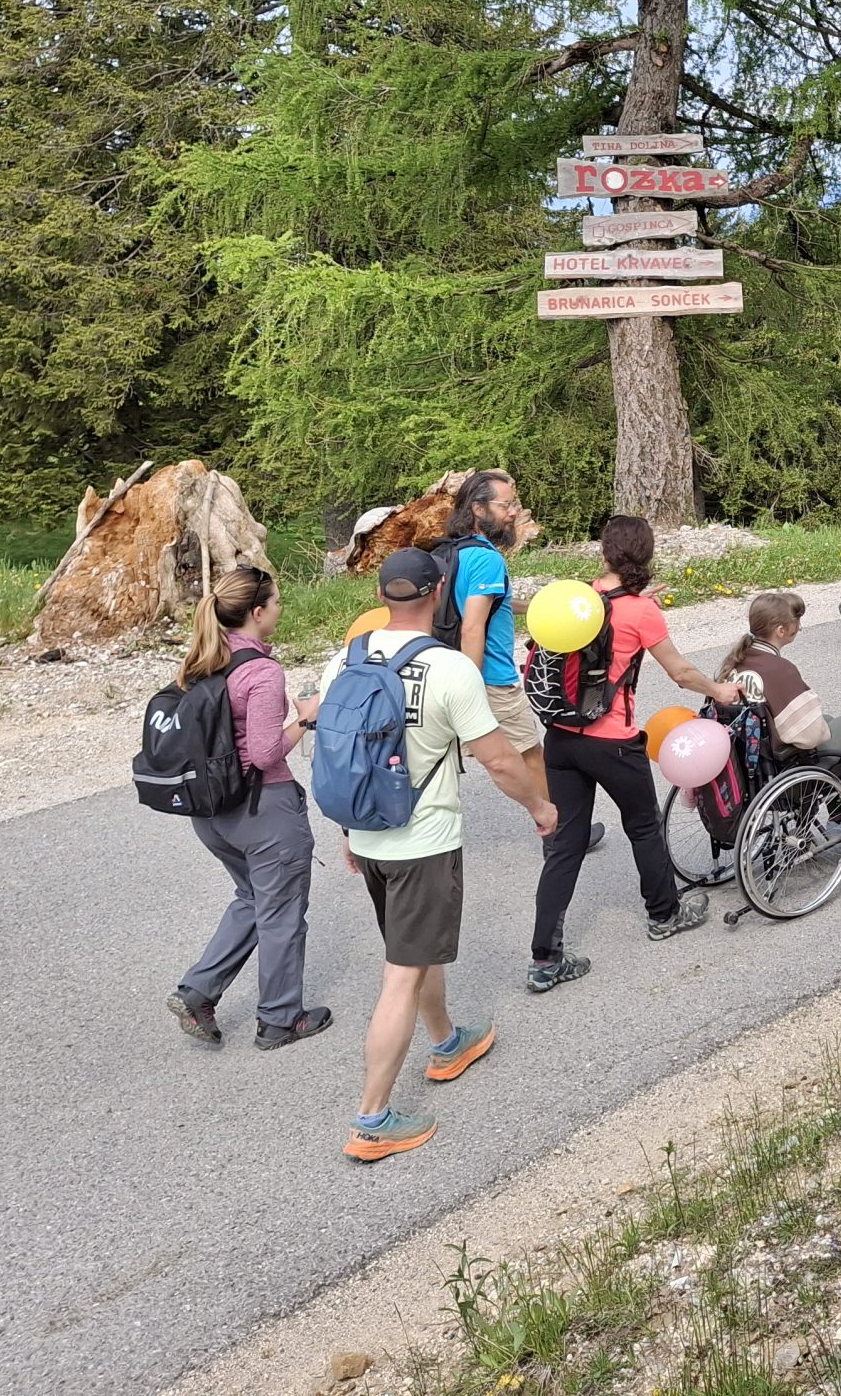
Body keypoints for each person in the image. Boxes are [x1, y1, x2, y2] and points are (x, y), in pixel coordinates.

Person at [327, 549, 558, 1164]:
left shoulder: (345, 660)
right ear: (438, 596)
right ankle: (373, 1119)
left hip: (369, 835)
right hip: (423, 841)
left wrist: (348, 831)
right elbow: (500, 759)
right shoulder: (450, 669)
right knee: (401, 975)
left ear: (381, 596)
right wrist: (539, 807)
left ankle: (447, 1041)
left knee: (414, 949)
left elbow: (341, 755)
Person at [524, 516, 743, 996]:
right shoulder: (641, 612)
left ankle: (544, 959)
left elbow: (601, 617)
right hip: (612, 742)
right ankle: (664, 914)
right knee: (643, 825)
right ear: (646, 556)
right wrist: (718, 690)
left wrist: (639, 602)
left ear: (604, 553)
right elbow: (680, 672)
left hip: (560, 738)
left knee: (566, 845)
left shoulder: (579, 599)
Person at [165, 566, 329, 1052]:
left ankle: (198, 991)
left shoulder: (202, 659)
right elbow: (263, 753)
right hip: (262, 811)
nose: (280, 608)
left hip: (210, 812)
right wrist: (306, 719)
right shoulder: (261, 671)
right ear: (257, 612)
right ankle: (280, 1019)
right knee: (281, 913)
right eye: (276, 602)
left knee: (254, 899)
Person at [438, 471, 592, 857]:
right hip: (487, 677)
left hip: (445, 670)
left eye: (513, 504)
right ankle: (560, 835)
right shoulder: (486, 559)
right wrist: (469, 685)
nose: (513, 513)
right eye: (505, 505)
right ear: (478, 509)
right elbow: (473, 626)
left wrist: (541, 605)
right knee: (529, 756)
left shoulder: (452, 553)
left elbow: (493, 604)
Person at [720, 591, 841, 768]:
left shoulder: (735, 661)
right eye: (797, 622)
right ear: (781, 631)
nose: (800, 627)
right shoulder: (781, 669)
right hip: (781, 765)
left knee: (827, 719)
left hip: (750, 759)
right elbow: (812, 736)